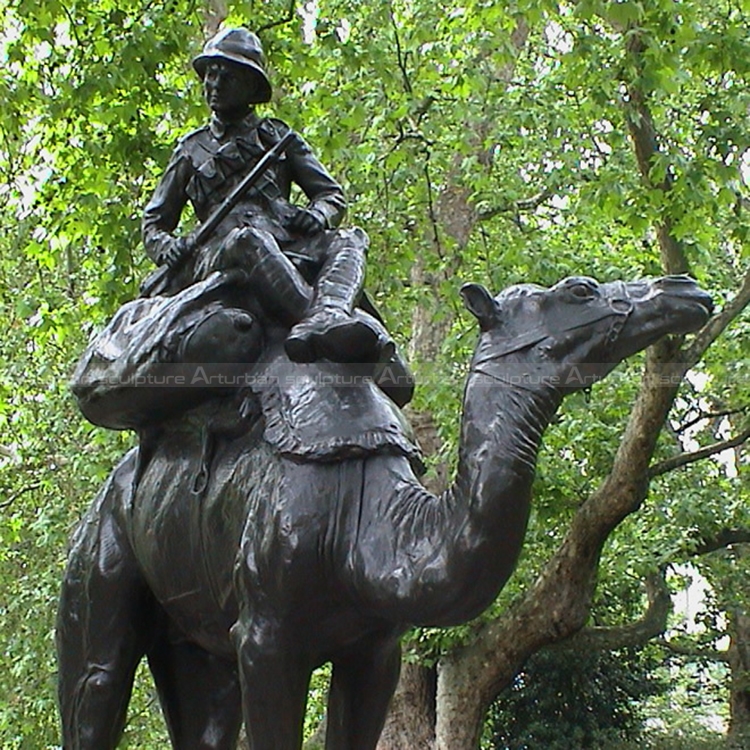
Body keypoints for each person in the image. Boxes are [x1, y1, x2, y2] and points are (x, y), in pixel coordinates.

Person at [143, 27, 398, 370]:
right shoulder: (190, 150)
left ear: (251, 87)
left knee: (350, 238)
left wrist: (319, 216)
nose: (215, 85)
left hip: (284, 242)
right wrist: (166, 247)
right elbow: (155, 222)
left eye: (228, 77)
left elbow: (330, 195)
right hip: (219, 251)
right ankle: (318, 321)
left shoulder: (279, 139)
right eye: (211, 75)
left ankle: (327, 315)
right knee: (248, 240)